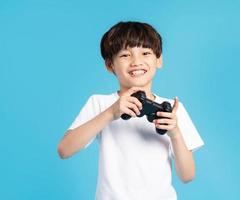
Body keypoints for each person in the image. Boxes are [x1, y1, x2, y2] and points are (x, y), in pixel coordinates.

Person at [57, 21, 204, 200]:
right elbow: (64, 150)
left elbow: (187, 176)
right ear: (110, 65)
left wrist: (175, 133)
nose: (136, 62)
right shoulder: (101, 103)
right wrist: (111, 113)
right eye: (125, 55)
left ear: (159, 60)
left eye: (145, 53)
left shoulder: (172, 110)